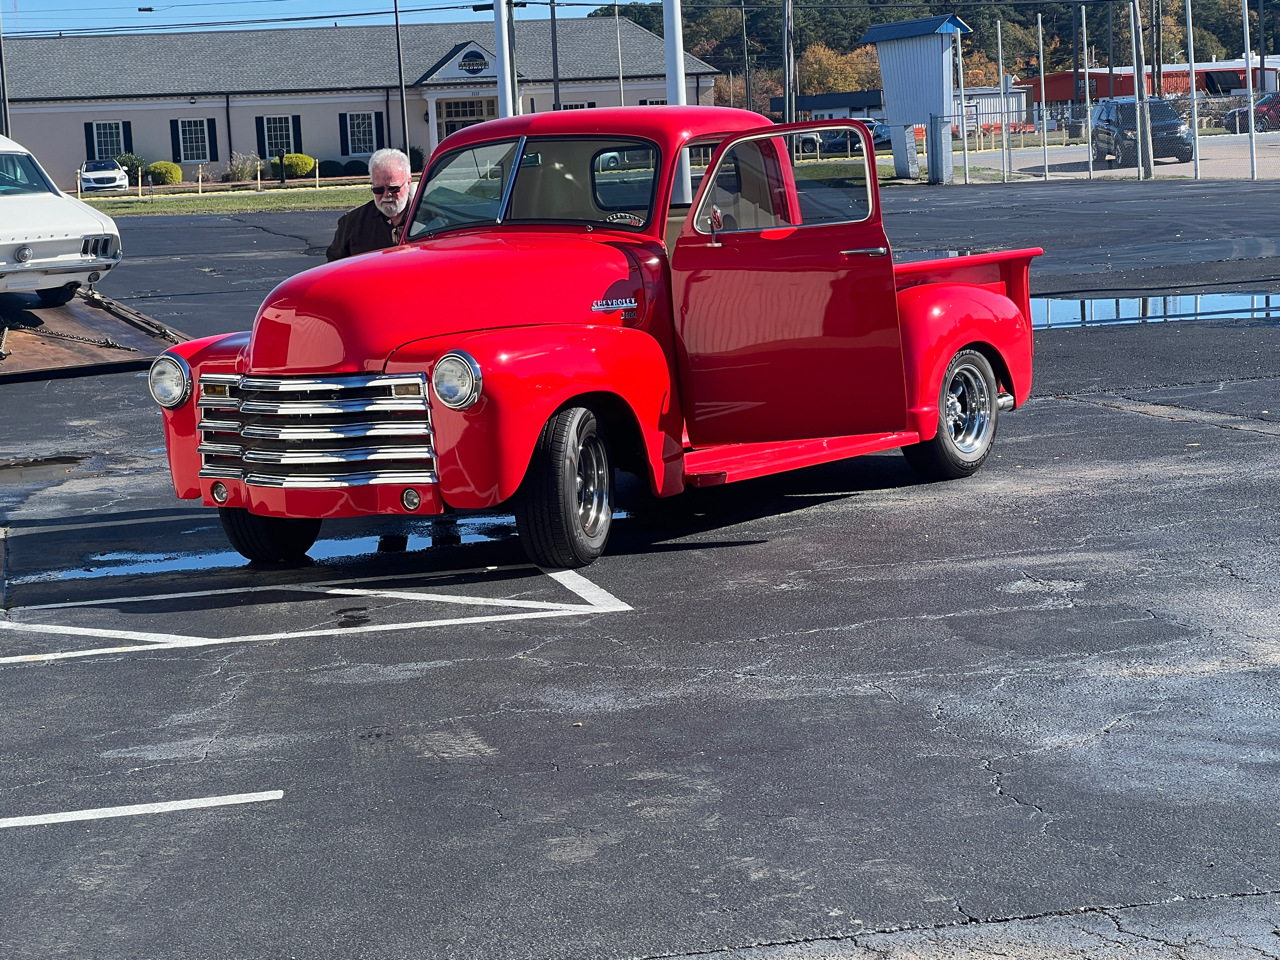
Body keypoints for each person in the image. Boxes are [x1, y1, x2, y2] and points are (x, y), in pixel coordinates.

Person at [326, 148, 415, 261]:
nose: (386, 195)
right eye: (378, 190)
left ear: (408, 183)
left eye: (393, 188)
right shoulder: (351, 223)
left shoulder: (432, 220)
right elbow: (333, 267)